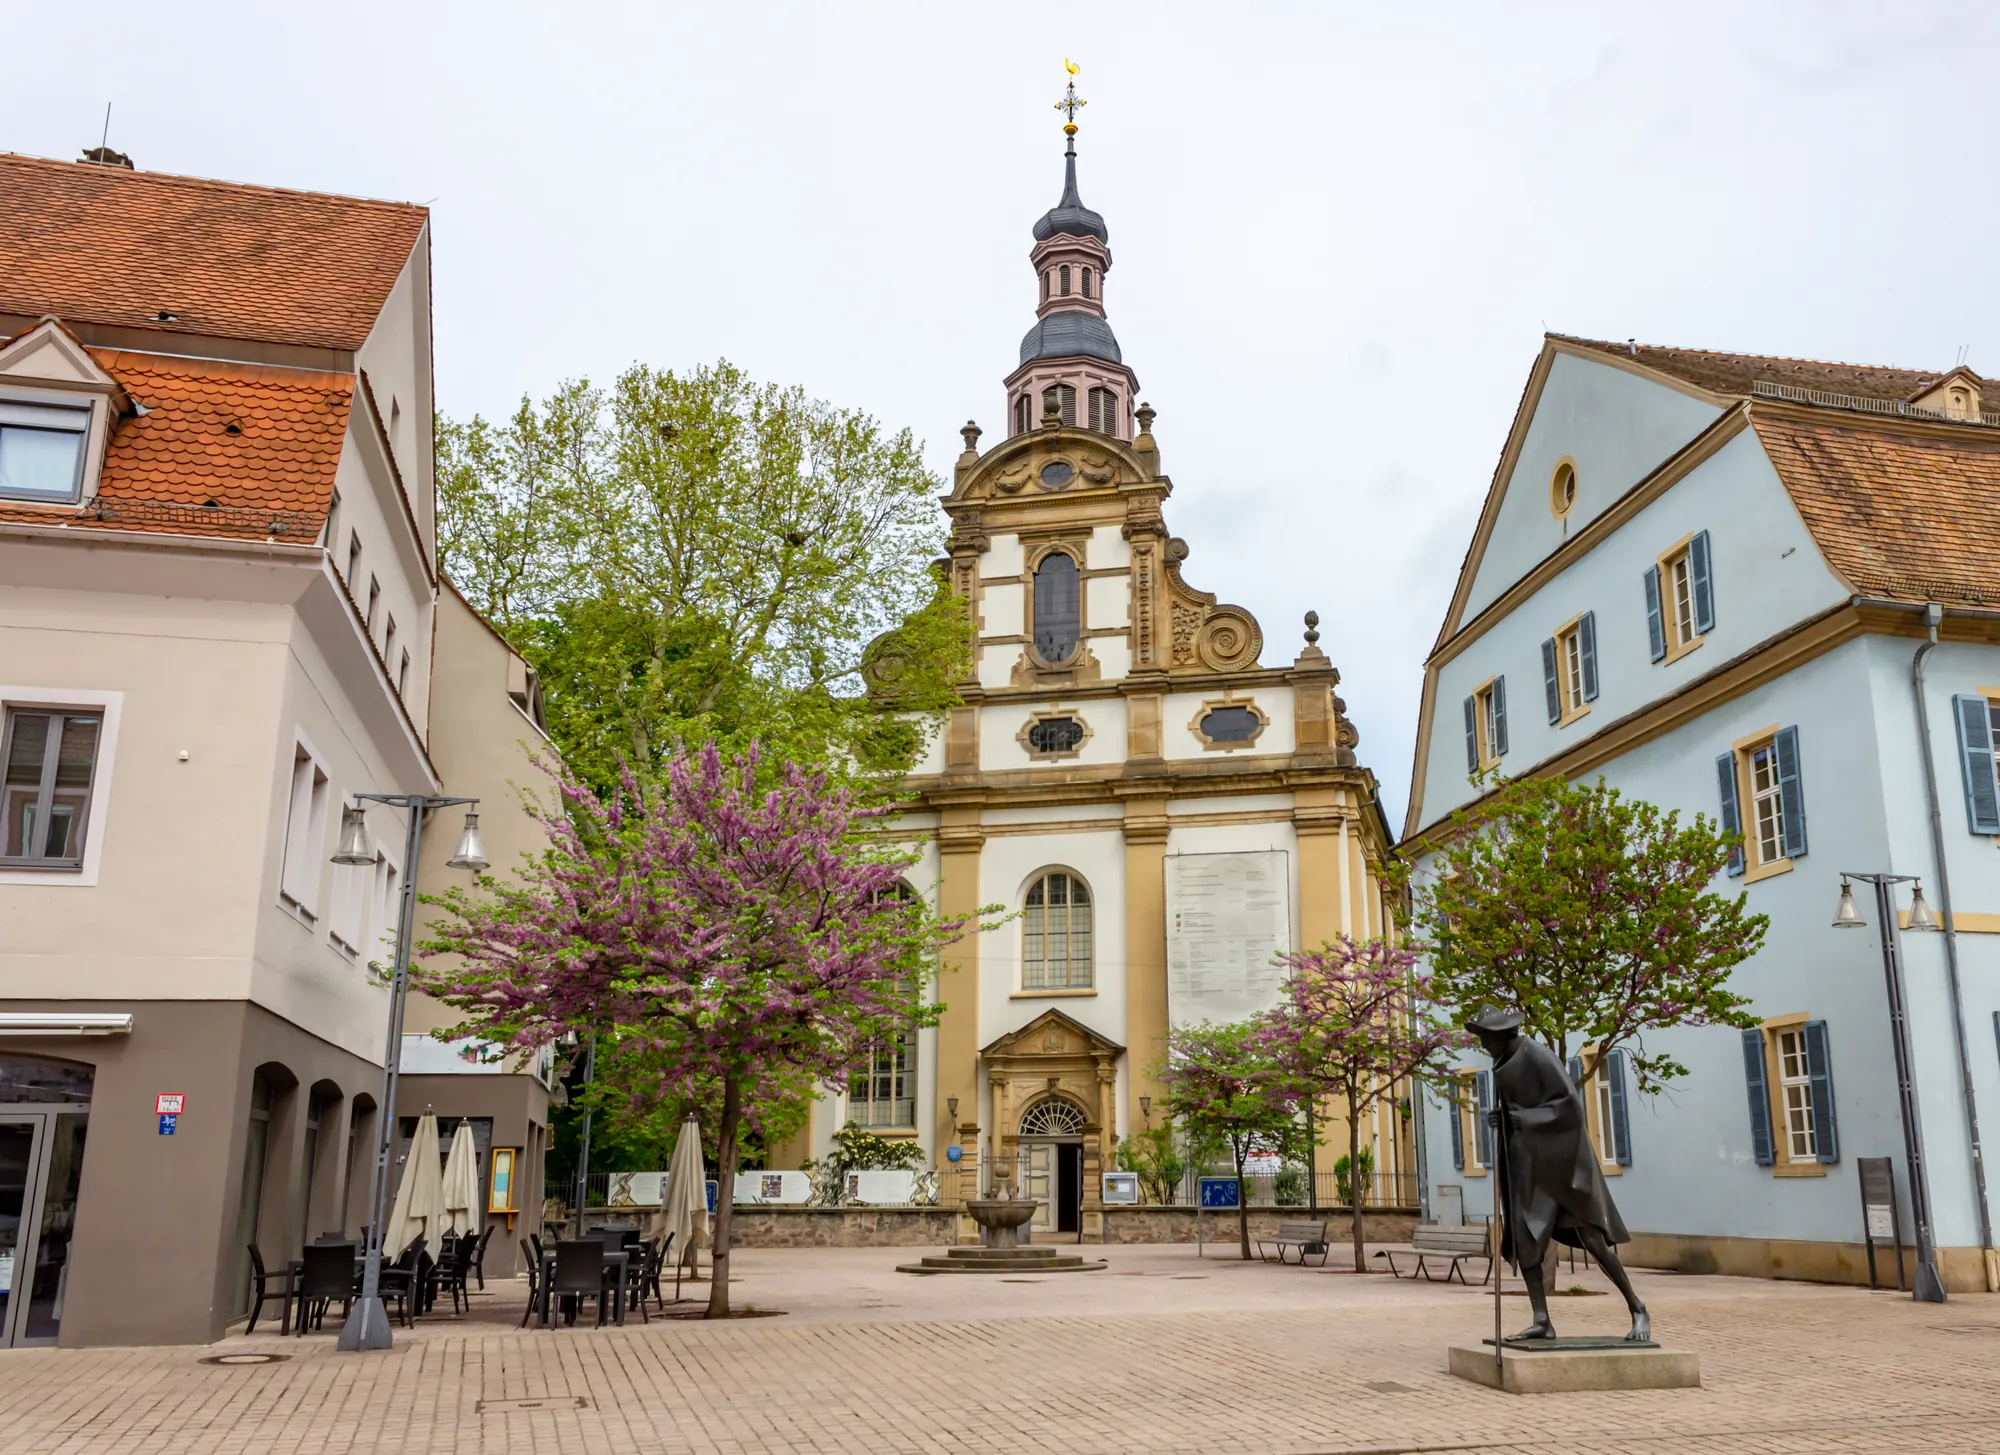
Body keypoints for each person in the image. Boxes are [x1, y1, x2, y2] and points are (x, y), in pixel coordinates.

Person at [1469, 1004, 1650, 1342]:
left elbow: (1570, 1107)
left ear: (1499, 1035)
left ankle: (1637, 1306)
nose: (1482, 1045)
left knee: (1593, 1240)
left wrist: (1524, 1120)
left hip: (1563, 1167)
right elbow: (1519, 1110)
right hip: (1530, 1169)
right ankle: (1542, 1319)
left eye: (1484, 1038)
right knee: (1526, 1242)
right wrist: (1503, 1120)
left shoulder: (1536, 1055)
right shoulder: (1500, 1064)